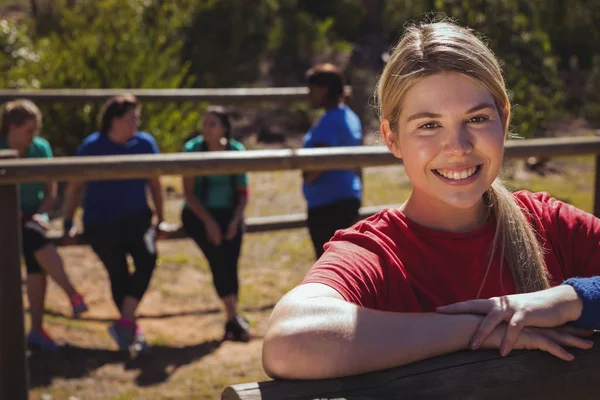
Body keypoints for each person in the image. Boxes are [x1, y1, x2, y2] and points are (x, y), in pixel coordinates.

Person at [262, 21, 600, 380]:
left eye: (477, 118)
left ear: (504, 118)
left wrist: (569, 300)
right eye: (428, 125)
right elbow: (289, 341)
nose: (457, 147)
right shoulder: (376, 253)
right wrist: (481, 328)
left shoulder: (549, 224)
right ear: (392, 138)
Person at [63, 94, 164, 353]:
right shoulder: (91, 146)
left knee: (147, 256)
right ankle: (131, 328)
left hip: (137, 218)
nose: (136, 123)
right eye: (132, 118)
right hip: (101, 222)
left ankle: (126, 322)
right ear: (114, 120)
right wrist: (67, 222)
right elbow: (75, 188)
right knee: (117, 272)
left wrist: (161, 218)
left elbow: (155, 183)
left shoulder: (145, 143)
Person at [0, 99, 88, 352]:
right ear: (11, 128)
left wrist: (42, 213)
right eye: (29, 130)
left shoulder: (40, 148)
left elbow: (50, 191)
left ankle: (37, 330)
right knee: (34, 240)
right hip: (6, 218)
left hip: (32, 218)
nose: (33, 136)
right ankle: (70, 293)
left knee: (34, 244)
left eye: (36, 130)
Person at [181, 106, 250, 342]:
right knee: (218, 259)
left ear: (224, 128)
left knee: (231, 261)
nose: (206, 129)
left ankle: (233, 318)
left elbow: (243, 192)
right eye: (204, 124)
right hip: (199, 214)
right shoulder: (192, 150)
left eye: (212, 124)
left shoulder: (236, 150)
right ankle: (234, 317)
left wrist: (234, 221)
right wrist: (210, 223)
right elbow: (189, 194)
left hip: (230, 213)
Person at [302, 63, 363, 259]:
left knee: (329, 263)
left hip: (327, 204)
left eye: (312, 90)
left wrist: (307, 176)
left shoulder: (329, 121)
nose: (309, 95)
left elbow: (319, 162)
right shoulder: (351, 116)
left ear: (324, 89)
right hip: (347, 196)